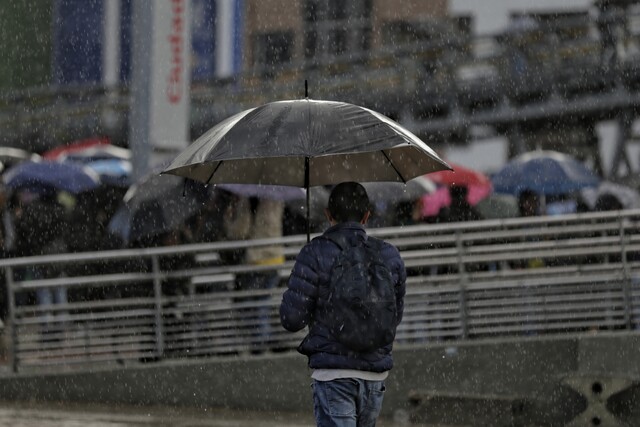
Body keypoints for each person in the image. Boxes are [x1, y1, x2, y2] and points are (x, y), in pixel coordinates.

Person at [280, 181, 406, 427]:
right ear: (367, 216)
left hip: (333, 374)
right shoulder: (388, 255)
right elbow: (394, 316)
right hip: (374, 375)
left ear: (328, 215)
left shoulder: (315, 252)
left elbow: (291, 319)